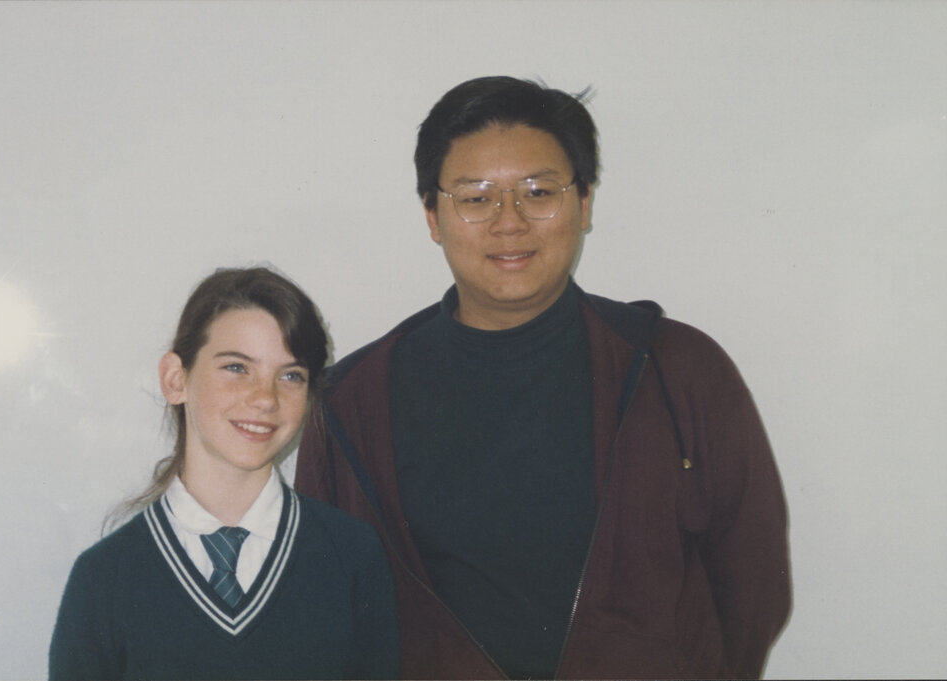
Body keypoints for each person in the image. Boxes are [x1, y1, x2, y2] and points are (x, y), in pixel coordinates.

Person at [295, 76, 791, 680]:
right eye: (476, 197)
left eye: (539, 191)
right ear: (432, 215)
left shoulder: (678, 369)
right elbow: (326, 612)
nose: (511, 222)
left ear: (583, 203)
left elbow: (752, 586)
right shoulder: (353, 401)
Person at [49, 267, 400, 681]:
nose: (265, 398)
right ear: (175, 379)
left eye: (291, 376)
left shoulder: (353, 555)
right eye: (237, 367)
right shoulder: (105, 578)